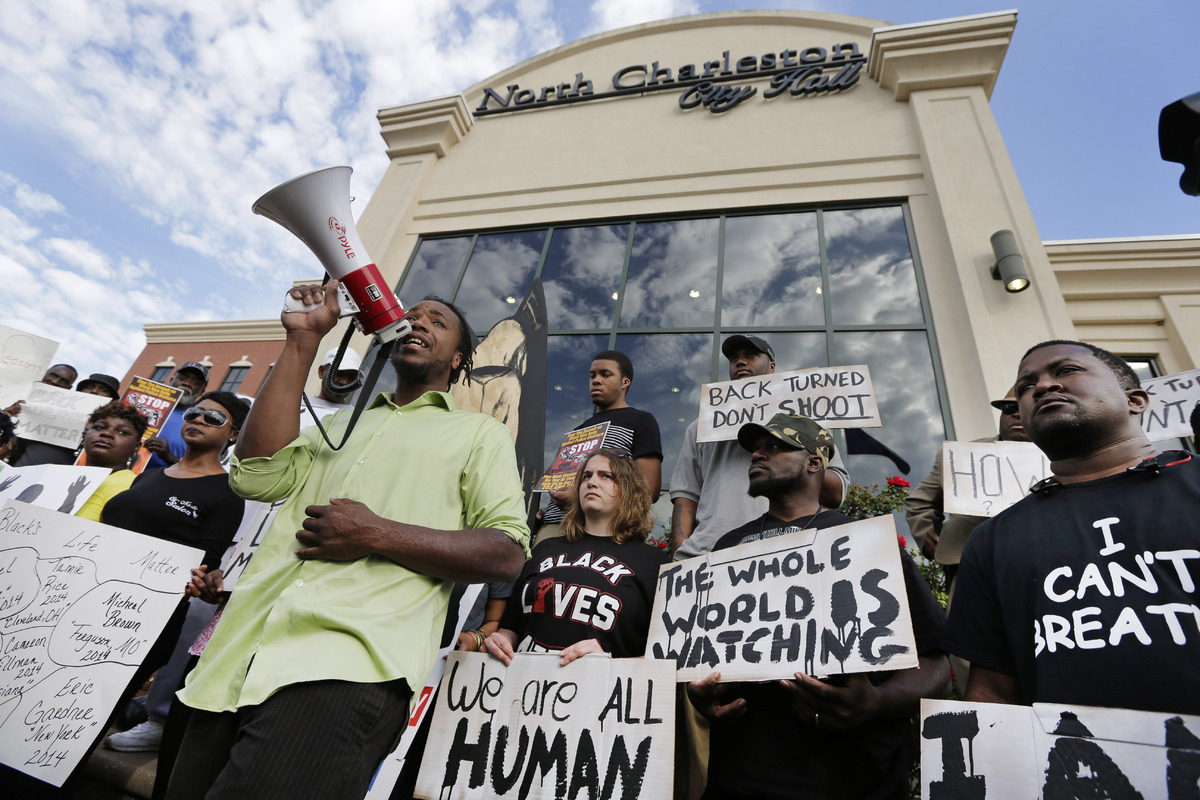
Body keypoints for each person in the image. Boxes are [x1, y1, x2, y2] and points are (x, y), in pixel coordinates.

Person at [165, 283, 530, 800]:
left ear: (459, 360)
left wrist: (375, 533)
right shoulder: (334, 425)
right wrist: (303, 341)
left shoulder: (479, 434)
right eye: (411, 315)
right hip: (238, 657)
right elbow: (255, 477)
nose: (418, 322)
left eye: (437, 321)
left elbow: (506, 553)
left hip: (347, 671)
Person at [688, 413, 949, 800]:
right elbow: (702, 656)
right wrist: (701, 696)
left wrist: (876, 702)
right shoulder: (727, 549)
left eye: (774, 446)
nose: (757, 455)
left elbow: (935, 666)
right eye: (755, 449)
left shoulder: (864, 542)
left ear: (814, 462)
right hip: (741, 777)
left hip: (856, 780)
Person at [946, 340, 1200, 715]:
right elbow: (994, 697)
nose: (1043, 387)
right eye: (1026, 388)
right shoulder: (991, 541)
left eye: (1066, 371)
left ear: (1135, 400)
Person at [98, 391, 248, 754]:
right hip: (92, 594)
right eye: (195, 413)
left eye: (213, 418)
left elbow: (205, 564)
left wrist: (201, 582)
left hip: (140, 619)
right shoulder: (147, 477)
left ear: (233, 434)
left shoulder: (228, 494)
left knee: (93, 707)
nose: (197, 420)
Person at [671, 334, 849, 561]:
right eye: (734, 358)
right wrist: (679, 555)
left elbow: (835, 495)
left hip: (788, 553)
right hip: (706, 555)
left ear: (772, 366)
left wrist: (795, 450)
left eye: (751, 355)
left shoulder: (806, 420)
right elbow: (686, 494)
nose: (740, 362)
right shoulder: (701, 426)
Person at [485, 448, 670, 664]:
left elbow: (665, 657)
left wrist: (610, 662)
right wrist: (500, 641)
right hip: (525, 687)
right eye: (586, 476)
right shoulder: (544, 549)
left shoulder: (653, 563)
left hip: (603, 693)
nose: (592, 482)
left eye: (606, 476)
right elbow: (512, 627)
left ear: (628, 490)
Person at [904, 385, 1030, 592]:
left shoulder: (1064, 457)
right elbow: (918, 503)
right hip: (973, 570)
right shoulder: (961, 456)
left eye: (1024, 408)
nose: (1016, 414)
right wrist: (927, 533)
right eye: (1008, 407)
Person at [539, 350, 663, 541]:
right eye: (592, 375)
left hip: (604, 532)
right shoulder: (576, 431)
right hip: (555, 527)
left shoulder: (640, 421)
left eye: (605, 374)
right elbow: (556, 480)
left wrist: (581, 499)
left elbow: (648, 491)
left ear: (625, 382)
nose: (596, 380)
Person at [74, 400, 148, 521]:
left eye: (122, 432)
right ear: (85, 435)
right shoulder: (57, 476)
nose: (107, 433)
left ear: (137, 447)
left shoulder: (132, 488)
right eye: (99, 427)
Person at [6, 363, 83, 466]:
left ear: (69, 388)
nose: (56, 382)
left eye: (64, 381)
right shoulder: (10, 391)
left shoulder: (63, 420)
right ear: (44, 373)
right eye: (53, 375)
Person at [144, 362, 209, 469]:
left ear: (202, 391)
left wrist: (169, 457)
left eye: (196, 382)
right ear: (171, 381)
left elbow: (196, 470)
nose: (187, 383)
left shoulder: (200, 423)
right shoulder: (143, 407)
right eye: (182, 378)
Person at [301, 346, 364, 425]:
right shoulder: (296, 407)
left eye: (352, 377)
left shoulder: (356, 419)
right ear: (321, 371)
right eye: (339, 373)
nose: (344, 382)